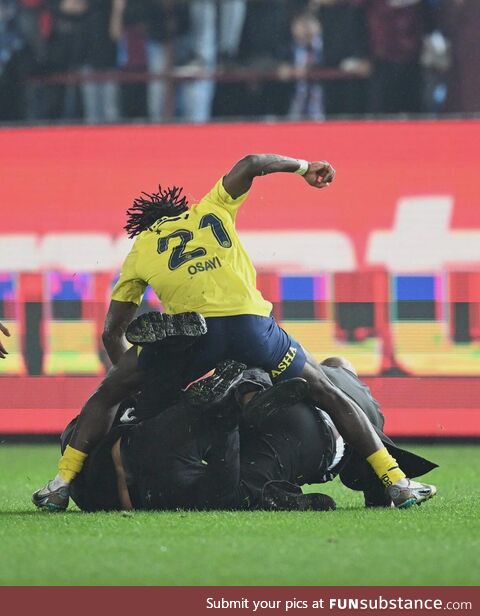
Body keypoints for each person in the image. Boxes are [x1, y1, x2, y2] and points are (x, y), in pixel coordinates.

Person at [33, 153, 433, 512]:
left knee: (108, 394)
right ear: (179, 208)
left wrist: (139, 383)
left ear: (145, 225)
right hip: (251, 327)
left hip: (195, 339)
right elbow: (252, 162)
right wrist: (303, 168)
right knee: (327, 389)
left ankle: (61, 483)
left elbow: (110, 334)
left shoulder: (139, 250)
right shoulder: (211, 209)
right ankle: (396, 481)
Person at [62, 357, 437, 513]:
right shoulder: (356, 411)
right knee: (245, 481)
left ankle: (243, 394)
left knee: (245, 482)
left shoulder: (336, 388)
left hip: (300, 432)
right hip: (306, 433)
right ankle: (242, 395)